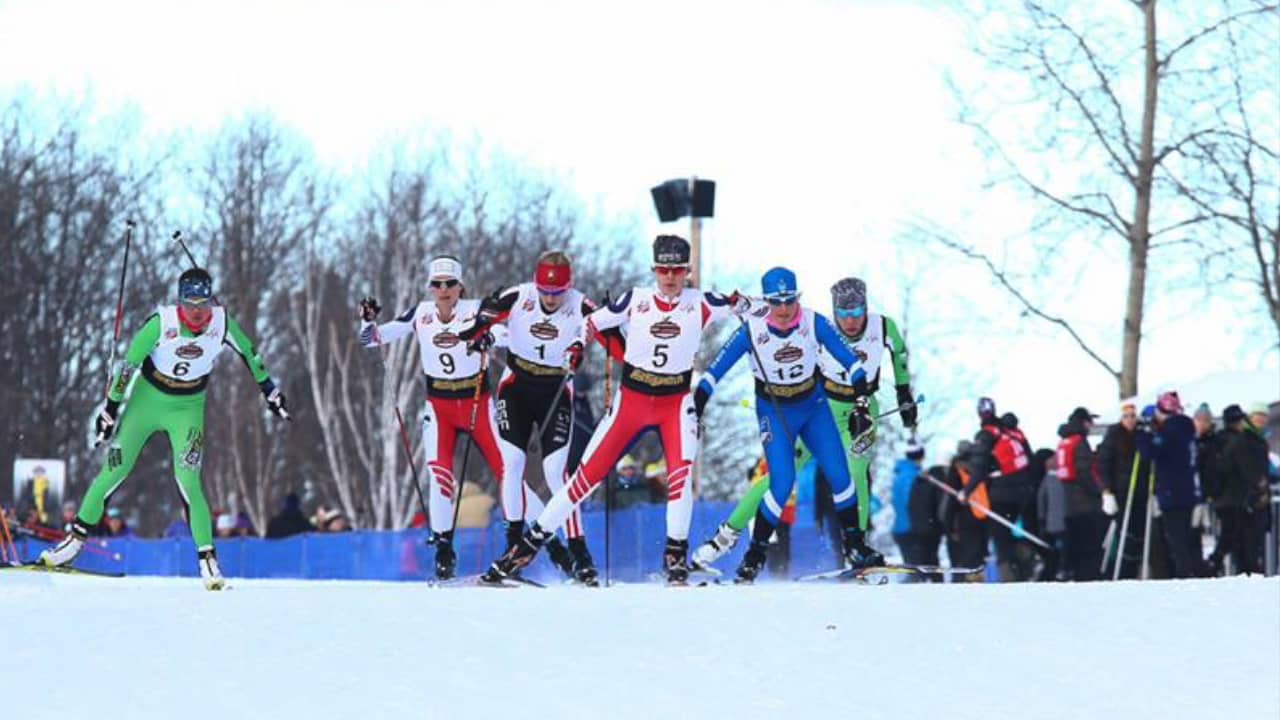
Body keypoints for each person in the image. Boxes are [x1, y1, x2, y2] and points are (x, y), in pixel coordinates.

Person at [482, 234, 750, 584]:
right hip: (633, 400)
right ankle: (527, 546)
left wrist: (741, 303)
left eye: (678, 270)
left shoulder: (701, 302)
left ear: (687, 271)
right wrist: (578, 346)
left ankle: (675, 556)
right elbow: (592, 322)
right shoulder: (635, 300)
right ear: (655, 269)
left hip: (675, 401)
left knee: (680, 477)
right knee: (583, 479)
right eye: (664, 269)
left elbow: (748, 306)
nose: (670, 278)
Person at [39, 268, 287, 590]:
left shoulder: (222, 323)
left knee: (188, 479)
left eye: (203, 305)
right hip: (146, 401)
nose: (197, 313)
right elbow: (127, 368)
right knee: (113, 471)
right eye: (190, 305)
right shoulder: (161, 323)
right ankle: (72, 543)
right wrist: (110, 411)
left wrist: (270, 391)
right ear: (179, 302)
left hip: (188, 408)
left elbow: (251, 354)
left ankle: (208, 560)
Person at [690, 276, 914, 572]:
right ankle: (725, 536)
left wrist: (903, 392)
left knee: (856, 470)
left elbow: (899, 355)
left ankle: (856, 547)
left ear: (866, 308)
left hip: (862, 408)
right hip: (822, 406)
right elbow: (767, 313)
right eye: (844, 314)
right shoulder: (818, 326)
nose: (851, 321)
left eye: (857, 313)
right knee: (778, 478)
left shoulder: (883, 327)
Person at [359, 256, 515, 580]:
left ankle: (528, 542)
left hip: (476, 402)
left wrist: (489, 337)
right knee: (440, 475)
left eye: (449, 284)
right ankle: (444, 549)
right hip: (440, 406)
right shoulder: (421, 313)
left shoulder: (475, 310)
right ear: (430, 287)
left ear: (461, 286)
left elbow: (507, 334)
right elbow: (371, 340)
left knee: (509, 469)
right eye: (437, 284)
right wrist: (366, 320)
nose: (443, 291)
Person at [461, 250, 605, 584]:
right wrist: (479, 336)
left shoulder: (581, 304)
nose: (550, 299)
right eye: (545, 291)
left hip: (555, 391)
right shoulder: (519, 295)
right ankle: (513, 547)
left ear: (568, 287)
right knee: (511, 464)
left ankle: (580, 555)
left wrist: (585, 349)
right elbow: (485, 320)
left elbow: (609, 326)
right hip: (516, 388)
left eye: (557, 292)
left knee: (558, 473)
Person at [958, 397, 1034, 580]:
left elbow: (980, 467)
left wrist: (966, 492)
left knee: (1001, 537)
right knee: (1022, 532)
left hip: (1002, 494)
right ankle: (1027, 565)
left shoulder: (986, 434)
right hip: (1026, 492)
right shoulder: (1013, 432)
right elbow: (1030, 459)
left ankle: (1008, 575)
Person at [1136, 391, 1203, 578]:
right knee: (1188, 537)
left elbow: (1150, 453)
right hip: (1188, 490)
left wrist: (1142, 435)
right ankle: (1195, 572)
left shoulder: (1171, 431)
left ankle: (1184, 575)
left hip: (1172, 492)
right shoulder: (1186, 430)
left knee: (1177, 539)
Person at [1209, 404, 1269, 574]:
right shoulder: (1243, 441)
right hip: (1240, 499)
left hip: (1238, 498)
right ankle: (1217, 564)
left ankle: (1234, 569)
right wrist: (1260, 485)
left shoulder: (1251, 440)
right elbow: (1248, 470)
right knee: (1240, 540)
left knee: (1238, 540)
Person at [1097, 401, 1151, 578]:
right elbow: (1103, 464)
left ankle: (1135, 568)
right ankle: (1117, 570)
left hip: (1139, 491)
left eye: (1133, 416)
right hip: (1121, 492)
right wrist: (1106, 491)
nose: (1130, 420)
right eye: (1126, 416)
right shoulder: (1114, 436)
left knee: (1138, 532)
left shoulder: (1141, 436)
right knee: (1121, 532)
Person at [1057, 406, 1104, 581]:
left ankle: (1072, 574)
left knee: (1075, 543)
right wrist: (1099, 492)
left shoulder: (1064, 441)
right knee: (1090, 545)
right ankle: (1090, 577)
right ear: (1084, 422)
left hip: (1069, 504)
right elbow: (1084, 471)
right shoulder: (1080, 442)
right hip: (1085, 504)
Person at [891, 441, 942, 573]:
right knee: (921, 571)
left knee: (913, 569)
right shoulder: (915, 477)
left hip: (901, 527)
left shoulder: (899, 475)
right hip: (914, 529)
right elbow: (913, 503)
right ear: (921, 457)